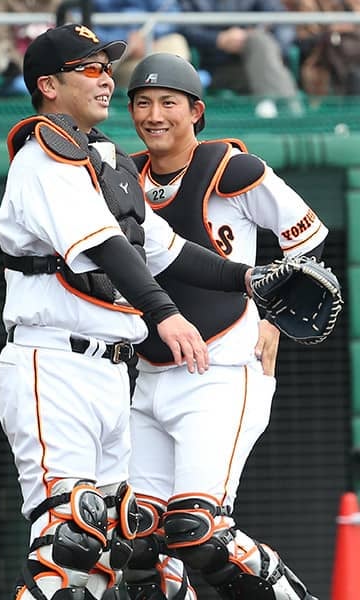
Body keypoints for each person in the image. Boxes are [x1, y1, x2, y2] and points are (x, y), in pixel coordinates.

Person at [0, 24, 270, 600]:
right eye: (89, 69)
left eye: (106, 67)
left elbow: (169, 250)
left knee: (118, 548)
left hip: (111, 373)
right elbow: (104, 247)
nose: (106, 79)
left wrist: (249, 277)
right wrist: (164, 313)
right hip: (53, 362)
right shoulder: (42, 158)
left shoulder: (103, 161)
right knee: (68, 538)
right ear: (48, 85)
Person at [124, 52, 327, 599]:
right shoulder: (126, 177)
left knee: (198, 530)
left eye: (169, 102)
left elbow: (307, 238)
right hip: (150, 377)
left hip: (222, 372)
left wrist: (274, 319)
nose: (154, 114)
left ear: (196, 111)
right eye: (142, 103)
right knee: (136, 542)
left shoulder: (230, 167)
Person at [178, 0, 303, 117]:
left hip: (258, 62)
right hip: (216, 69)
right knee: (265, 54)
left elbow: (282, 23)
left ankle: (277, 108)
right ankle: (290, 113)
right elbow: (183, 29)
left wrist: (249, 38)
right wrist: (218, 39)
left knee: (258, 40)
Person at [72, 0, 190, 88]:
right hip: (107, 54)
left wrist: (148, 37)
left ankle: (168, 103)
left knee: (176, 44)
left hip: (150, 45)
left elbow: (171, 13)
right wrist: (124, 39)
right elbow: (75, 23)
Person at [283, 0, 360, 96]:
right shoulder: (305, 4)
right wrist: (329, 33)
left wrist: (346, 29)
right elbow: (302, 42)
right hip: (320, 57)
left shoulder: (347, 4)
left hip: (348, 55)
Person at [0, 0, 61, 96]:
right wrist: (31, 69)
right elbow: (0, 43)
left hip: (53, 71)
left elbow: (67, 40)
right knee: (25, 86)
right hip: (14, 73)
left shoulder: (58, 3)